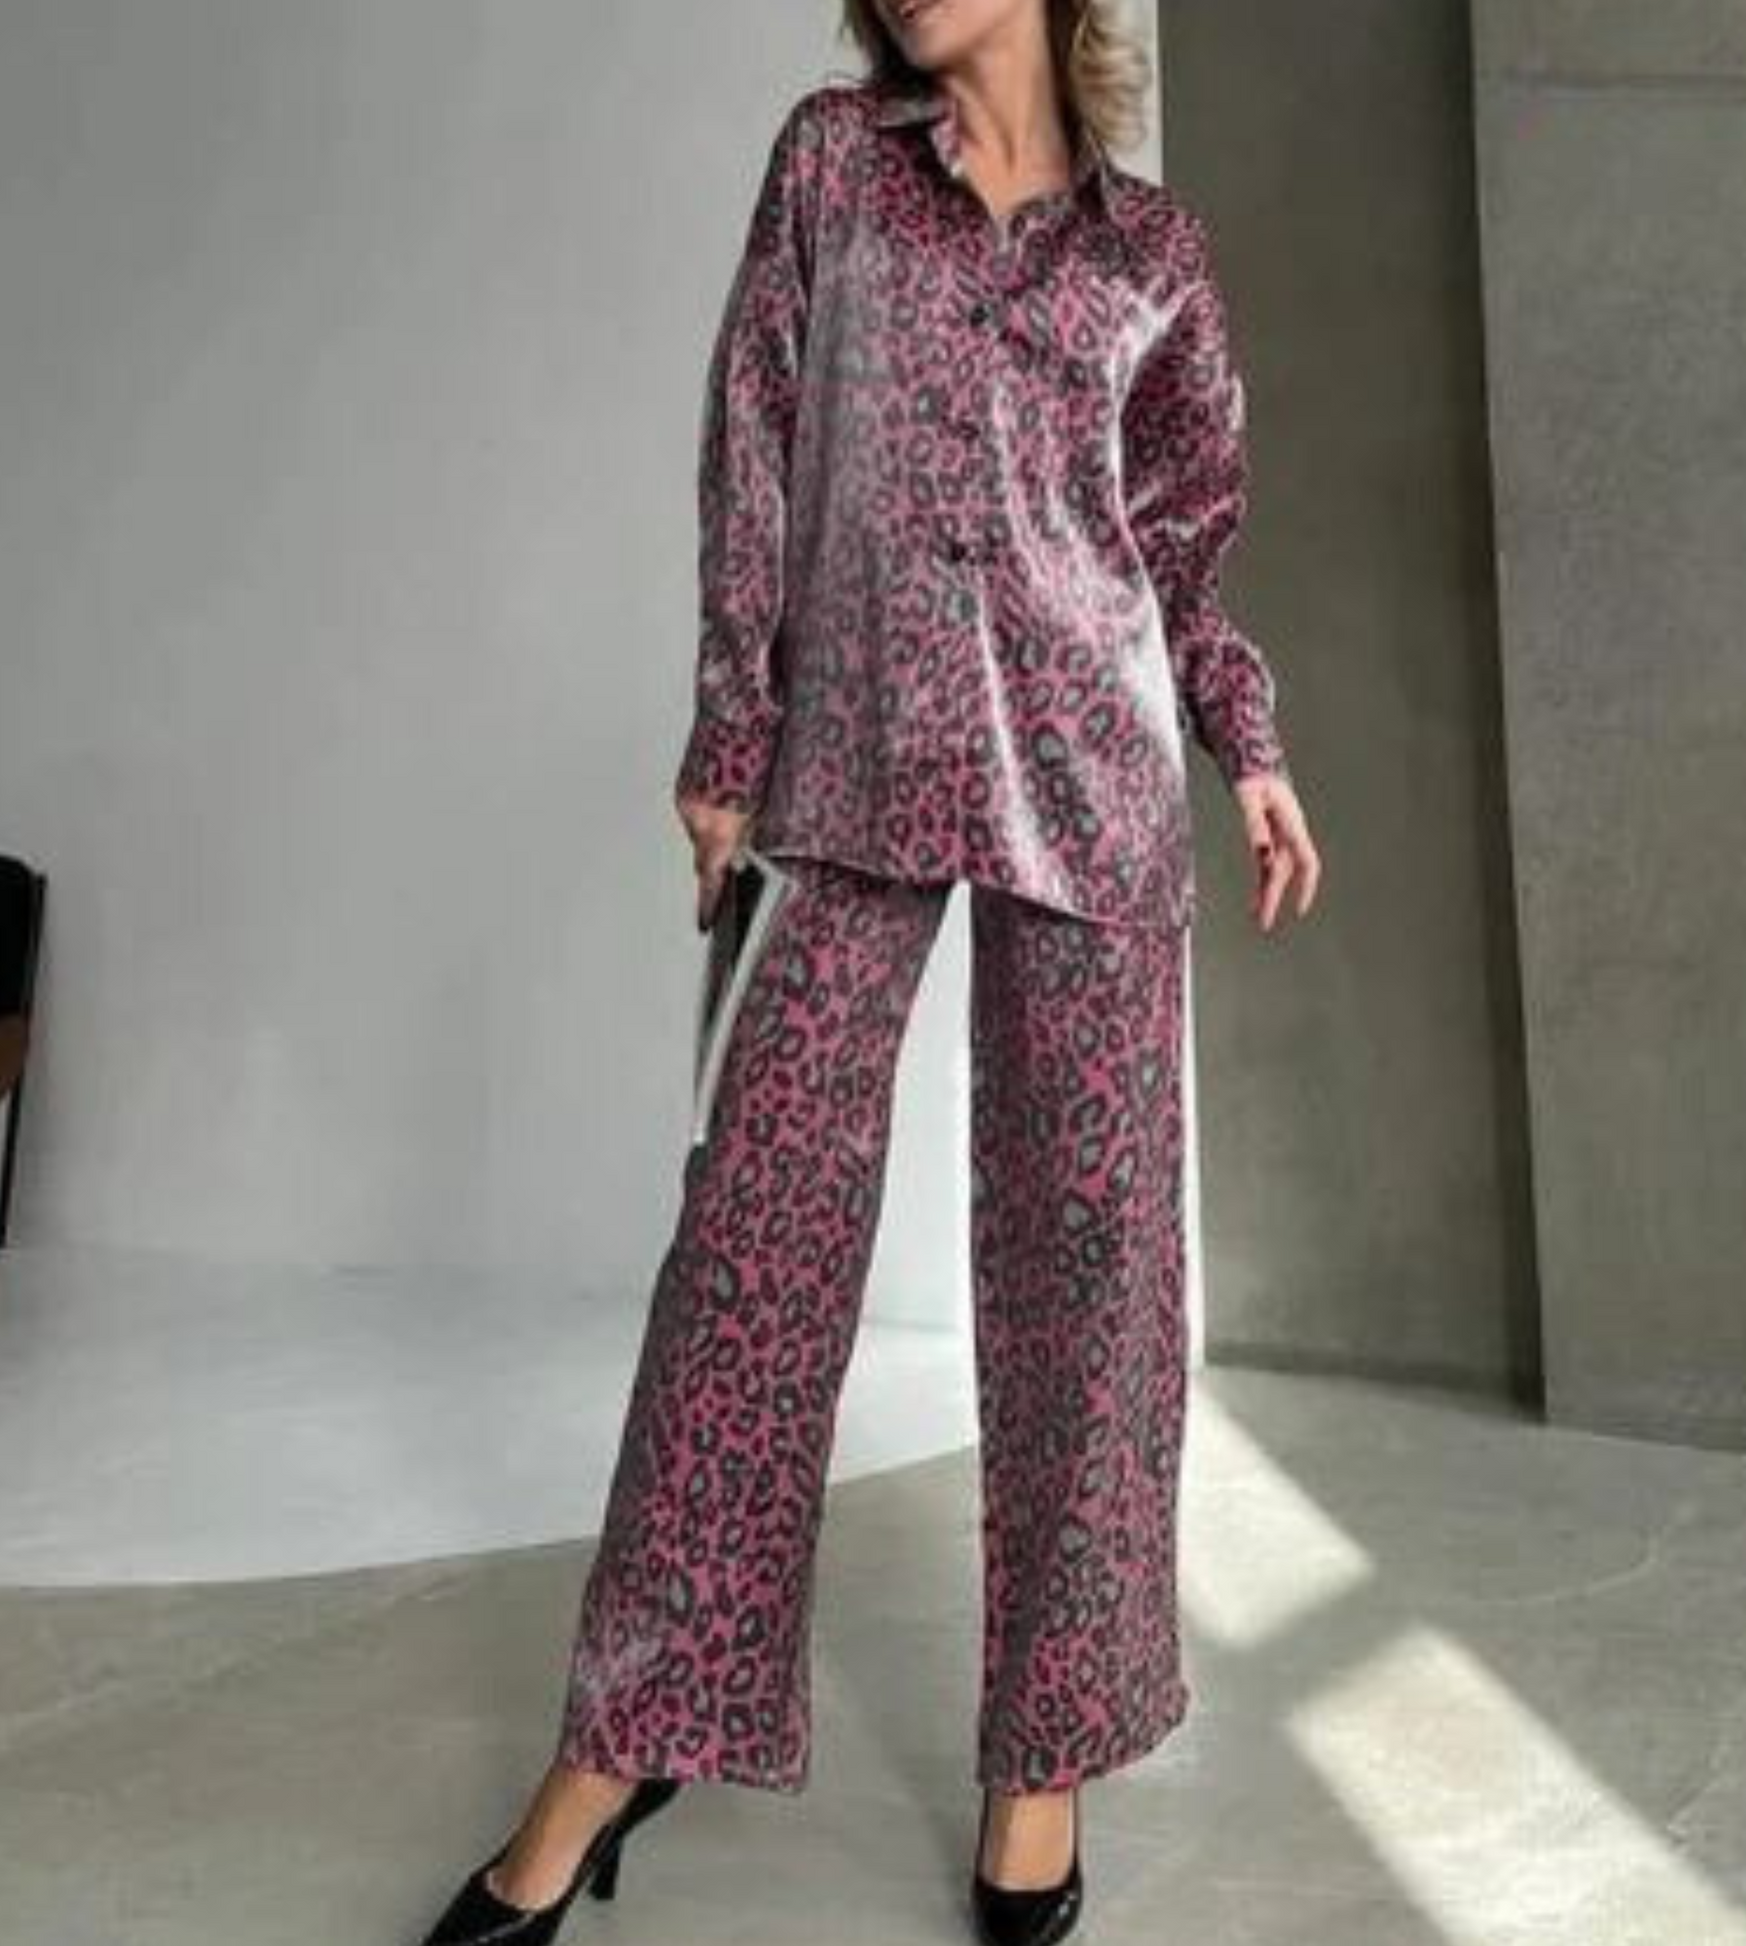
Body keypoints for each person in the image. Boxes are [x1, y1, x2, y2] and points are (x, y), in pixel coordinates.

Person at [418, 1, 1321, 1940]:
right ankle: (626, 1732)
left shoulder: (1152, 258)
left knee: (1093, 1282)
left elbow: (1182, 555)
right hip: (846, 775)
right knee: (746, 1262)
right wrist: (725, 738)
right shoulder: (833, 165)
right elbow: (751, 442)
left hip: (1092, 786)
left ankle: (1040, 1763)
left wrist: (1246, 748)